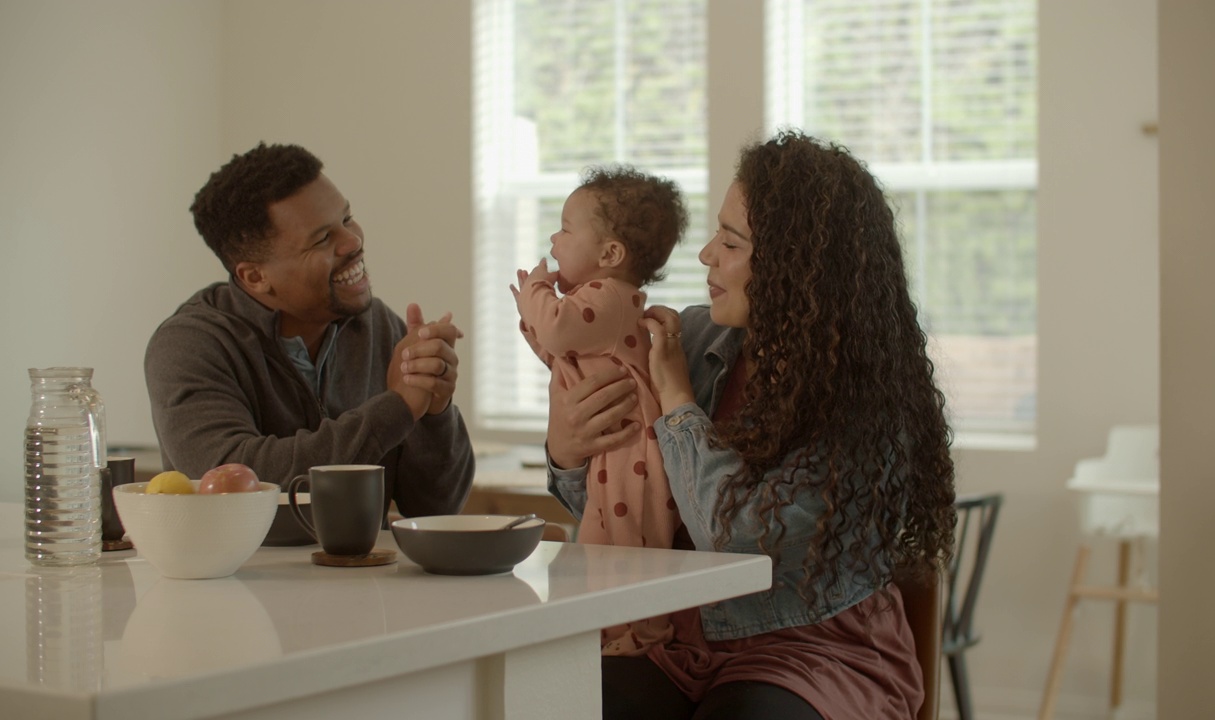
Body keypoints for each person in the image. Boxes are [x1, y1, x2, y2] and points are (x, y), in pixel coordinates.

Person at [544, 130, 956, 719]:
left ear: (796, 267)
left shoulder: (862, 403)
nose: (706, 254)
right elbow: (618, 502)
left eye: (731, 242)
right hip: (678, 644)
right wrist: (566, 454)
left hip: (813, 651)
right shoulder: (686, 336)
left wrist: (677, 399)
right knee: (561, 701)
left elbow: (737, 545)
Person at [145, 142, 475, 522]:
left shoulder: (376, 325)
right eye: (322, 239)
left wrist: (434, 411)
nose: (353, 241)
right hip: (239, 580)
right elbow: (235, 484)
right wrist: (397, 409)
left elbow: (436, 507)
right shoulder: (189, 345)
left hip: (362, 577)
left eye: (347, 219)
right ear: (255, 277)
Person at [512, 165, 689, 655]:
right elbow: (559, 354)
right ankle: (610, 632)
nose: (554, 237)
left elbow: (556, 331)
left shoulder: (605, 297)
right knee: (597, 546)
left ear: (610, 254)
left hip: (635, 450)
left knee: (634, 549)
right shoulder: (594, 305)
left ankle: (646, 635)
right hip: (611, 452)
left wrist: (535, 295)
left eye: (566, 229)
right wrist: (533, 317)